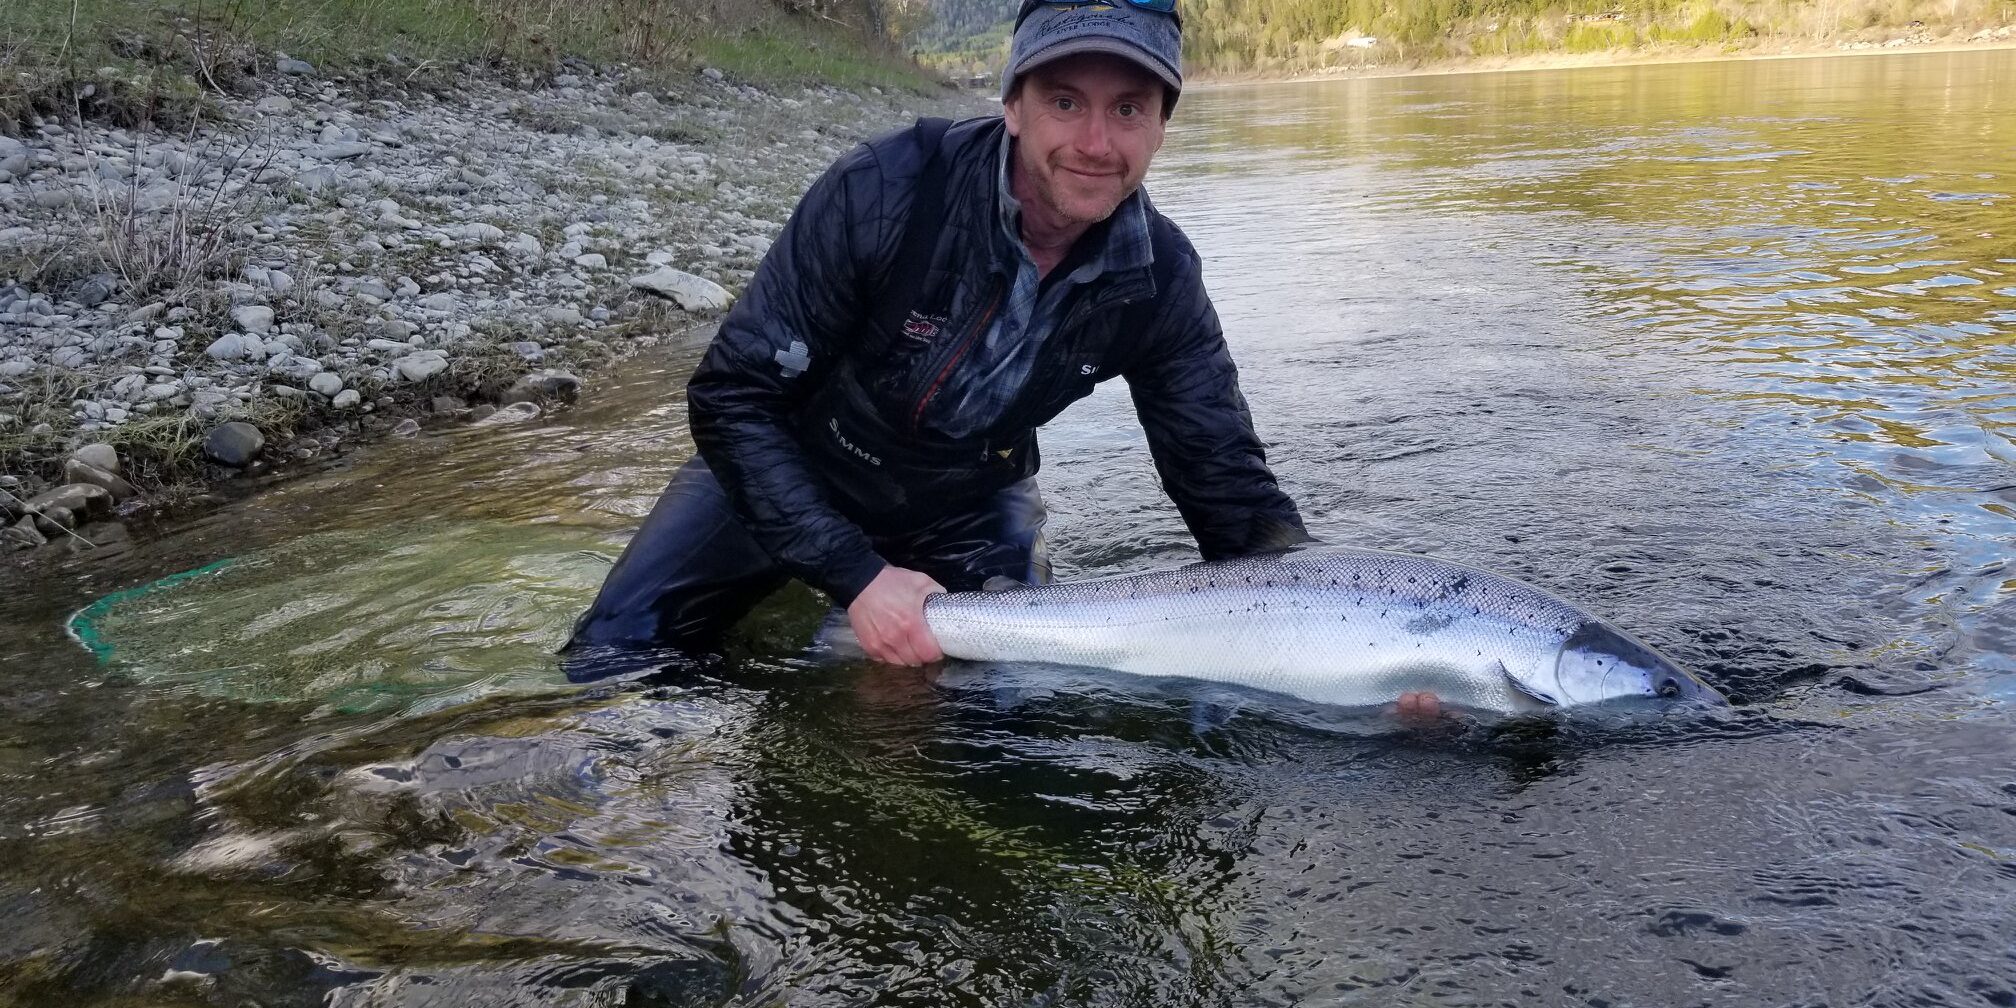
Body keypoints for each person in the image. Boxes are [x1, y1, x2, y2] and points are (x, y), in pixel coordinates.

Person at [564, 0, 1312, 674]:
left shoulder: (1162, 279)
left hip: (969, 498)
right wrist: (859, 577)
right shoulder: (884, 191)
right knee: (611, 658)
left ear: (1160, 128)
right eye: (1063, 100)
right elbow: (732, 398)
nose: (1094, 141)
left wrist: (1358, 654)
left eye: (1127, 108)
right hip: (797, 461)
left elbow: (1229, 494)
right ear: (1013, 105)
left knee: (1003, 715)